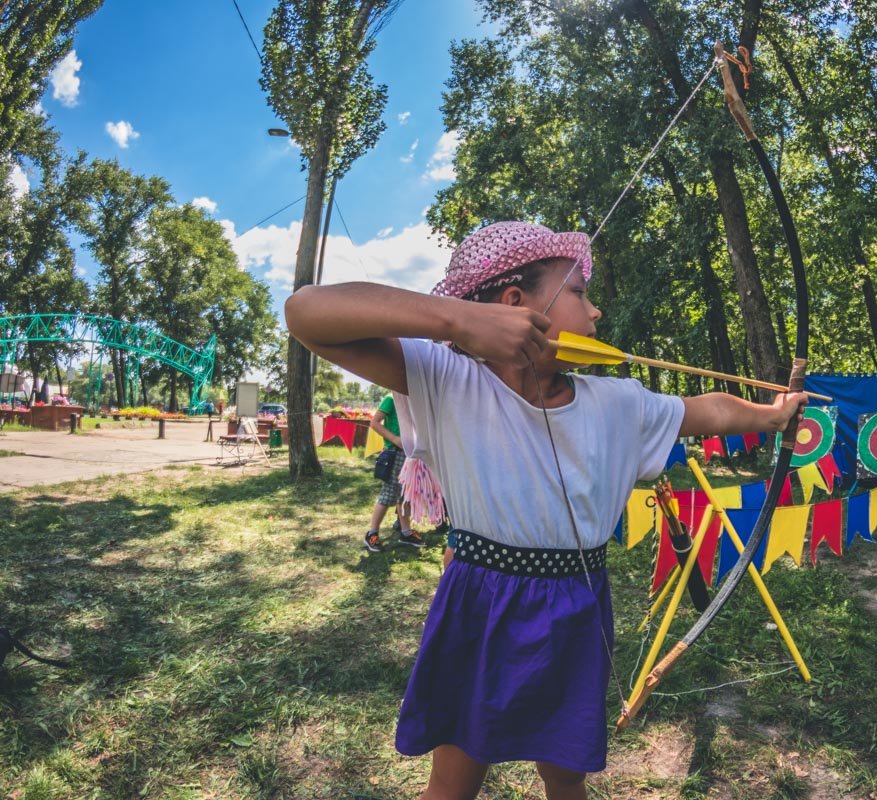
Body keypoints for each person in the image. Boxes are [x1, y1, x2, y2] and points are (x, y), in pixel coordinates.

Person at [284, 220, 807, 800]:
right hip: (481, 599)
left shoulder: (617, 402)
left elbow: (704, 409)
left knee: (566, 774)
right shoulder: (446, 378)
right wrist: (458, 320)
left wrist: (769, 416)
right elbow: (307, 312)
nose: (596, 312)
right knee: (454, 778)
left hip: (574, 603)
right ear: (514, 305)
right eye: (580, 293)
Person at [365, 392, 423, 552]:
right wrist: (394, 439)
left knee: (405, 495)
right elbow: (375, 423)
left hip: (410, 454)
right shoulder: (391, 398)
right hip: (395, 452)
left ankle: (405, 532)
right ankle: (372, 533)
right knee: (388, 493)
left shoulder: (414, 399)